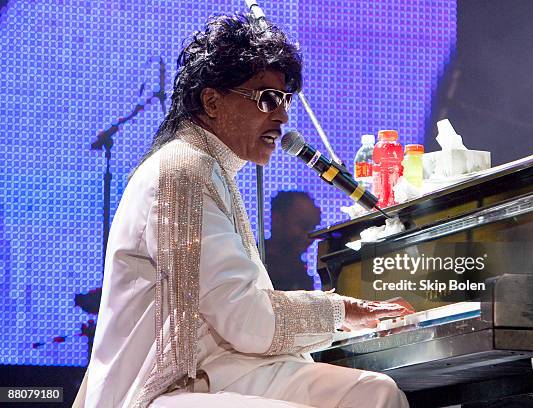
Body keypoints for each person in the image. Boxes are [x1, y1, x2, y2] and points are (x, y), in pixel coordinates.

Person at [81, 12, 411, 408]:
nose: (283, 116)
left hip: (222, 372)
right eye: (267, 99)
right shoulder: (183, 169)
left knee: (376, 393)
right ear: (212, 101)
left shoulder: (209, 166)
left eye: (285, 100)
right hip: (167, 389)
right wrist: (342, 310)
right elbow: (244, 319)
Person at [265, 191, 321, 290]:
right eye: (304, 225)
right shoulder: (255, 262)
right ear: (277, 219)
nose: (310, 237)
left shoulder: (299, 271)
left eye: (313, 228)